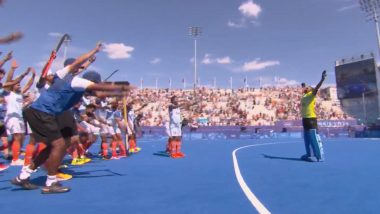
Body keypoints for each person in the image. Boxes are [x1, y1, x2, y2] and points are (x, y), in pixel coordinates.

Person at [10, 42, 133, 194]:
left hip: (40, 113)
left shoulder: (66, 76)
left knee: (53, 146)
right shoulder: (77, 81)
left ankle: (24, 176)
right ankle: (50, 183)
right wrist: (122, 87)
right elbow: (94, 85)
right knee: (60, 144)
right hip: (42, 113)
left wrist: (93, 52)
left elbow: (94, 87)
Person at [300, 70, 327, 162]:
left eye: (308, 87)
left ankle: (319, 156)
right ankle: (309, 154)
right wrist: (303, 85)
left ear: (311, 90)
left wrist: (322, 79)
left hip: (311, 119)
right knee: (306, 138)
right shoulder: (304, 95)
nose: (306, 87)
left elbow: (317, 87)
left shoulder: (311, 95)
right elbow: (303, 87)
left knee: (314, 138)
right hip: (305, 119)